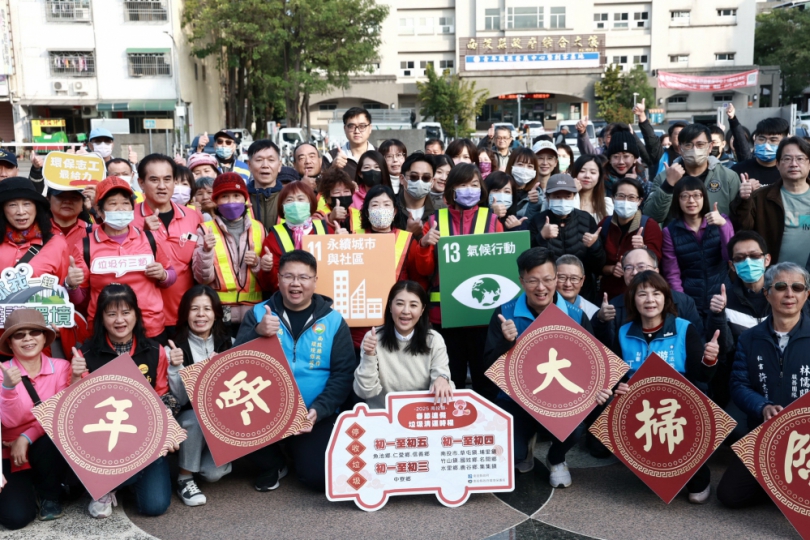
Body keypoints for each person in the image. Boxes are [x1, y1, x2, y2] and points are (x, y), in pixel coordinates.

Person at [235, 250, 355, 491]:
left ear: (314, 281)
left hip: (312, 414)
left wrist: (318, 410)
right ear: (278, 279)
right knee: (229, 423)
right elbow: (234, 364)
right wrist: (256, 332)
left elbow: (343, 375)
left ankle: (293, 446)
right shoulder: (259, 314)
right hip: (264, 411)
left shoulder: (333, 320)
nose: (295, 283)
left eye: (303, 277)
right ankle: (274, 463)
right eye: (288, 276)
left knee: (318, 480)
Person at [483, 248, 602, 486]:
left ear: (556, 278)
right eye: (533, 281)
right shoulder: (505, 314)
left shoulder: (576, 316)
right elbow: (488, 366)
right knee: (513, 456)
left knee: (577, 425)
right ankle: (524, 448)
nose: (541, 288)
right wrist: (505, 344)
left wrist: (598, 388)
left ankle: (556, 458)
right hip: (515, 400)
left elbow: (593, 364)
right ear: (521, 281)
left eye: (548, 280)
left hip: (561, 400)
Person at [612, 271, 719, 503]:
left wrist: (709, 359)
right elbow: (616, 378)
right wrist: (617, 388)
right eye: (642, 294)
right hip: (639, 409)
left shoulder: (684, 328)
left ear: (666, 298)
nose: (650, 300)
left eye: (656, 293)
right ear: (633, 300)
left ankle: (698, 475)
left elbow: (701, 375)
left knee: (695, 493)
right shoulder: (623, 332)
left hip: (678, 406)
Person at [78, 284, 178, 518]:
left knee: (155, 506)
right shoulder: (86, 354)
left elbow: (162, 394)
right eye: (111, 314)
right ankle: (107, 483)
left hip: (146, 440)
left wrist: (168, 425)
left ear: (136, 314)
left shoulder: (156, 350)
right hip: (104, 441)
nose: (119, 320)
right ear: (102, 318)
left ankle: (121, 482)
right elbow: (80, 408)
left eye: (126, 312)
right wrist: (75, 376)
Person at [718, 262, 810, 508]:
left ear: (806, 294)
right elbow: (738, 384)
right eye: (780, 287)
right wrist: (762, 406)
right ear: (767, 293)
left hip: (806, 439)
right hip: (766, 434)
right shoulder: (750, 338)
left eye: (797, 287)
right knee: (729, 496)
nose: (789, 294)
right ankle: (778, 484)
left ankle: (783, 484)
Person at [411, 163, 503, 399]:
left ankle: (484, 433)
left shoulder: (492, 221)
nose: (469, 190)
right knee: (450, 380)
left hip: (483, 316)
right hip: (444, 317)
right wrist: (423, 245)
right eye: (462, 185)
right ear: (451, 189)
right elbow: (424, 270)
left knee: (486, 382)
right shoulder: (435, 220)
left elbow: (503, 268)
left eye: (474, 185)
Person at [68, 177, 175, 342]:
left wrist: (163, 275)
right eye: (112, 204)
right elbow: (79, 298)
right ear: (100, 211)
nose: (120, 209)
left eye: (125, 203)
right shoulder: (85, 246)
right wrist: (71, 285)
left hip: (149, 327)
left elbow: (171, 276)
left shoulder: (150, 239)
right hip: (105, 330)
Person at [0, 309, 72, 527]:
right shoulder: (2, 372)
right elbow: (9, 422)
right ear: (10, 343)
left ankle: (50, 495)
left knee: (53, 436)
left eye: (34, 332)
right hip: (10, 455)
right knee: (15, 518)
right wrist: (8, 388)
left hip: (44, 447)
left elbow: (59, 413)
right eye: (19, 335)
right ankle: (32, 489)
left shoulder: (62, 367)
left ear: (44, 338)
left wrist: (27, 436)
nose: (28, 338)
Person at [167, 285, 234, 506]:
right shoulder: (173, 347)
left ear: (216, 313)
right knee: (194, 419)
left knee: (212, 474)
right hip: (190, 418)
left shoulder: (229, 343)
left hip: (223, 418)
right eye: (194, 309)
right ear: (185, 313)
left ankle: (220, 454)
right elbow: (180, 400)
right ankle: (184, 478)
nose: (201, 315)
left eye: (207, 309)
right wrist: (177, 368)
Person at [132, 154, 204, 336]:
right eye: (154, 180)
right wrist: (144, 233)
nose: (162, 186)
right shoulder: (129, 218)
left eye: (167, 179)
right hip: (143, 319)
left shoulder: (193, 216)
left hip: (185, 315)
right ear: (141, 183)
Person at [354, 281, 453, 409]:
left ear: (422, 309)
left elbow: (442, 377)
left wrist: (442, 379)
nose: (406, 311)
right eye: (400, 304)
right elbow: (365, 392)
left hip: (423, 416)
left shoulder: (434, 340)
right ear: (390, 306)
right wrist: (369, 355)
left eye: (413, 305)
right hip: (384, 417)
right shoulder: (373, 338)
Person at [192, 173, 266, 333]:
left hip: (253, 313)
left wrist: (257, 264)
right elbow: (202, 278)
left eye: (237, 196)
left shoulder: (259, 228)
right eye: (224, 196)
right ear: (216, 201)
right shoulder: (205, 229)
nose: (231, 202)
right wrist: (205, 251)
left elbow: (267, 276)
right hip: (220, 312)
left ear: (245, 199)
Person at [707, 231, 773, 407]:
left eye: (754, 256)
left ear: (766, 259)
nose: (748, 262)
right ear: (732, 265)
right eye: (740, 258)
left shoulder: (784, 297)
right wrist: (718, 314)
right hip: (739, 386)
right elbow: (724, 350)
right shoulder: (724, 300)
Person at [591, 248, 705, 347]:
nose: (635, 272)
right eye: (629, 268)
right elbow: (608, 349)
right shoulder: (614, 306)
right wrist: (601, 320)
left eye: (641, 266)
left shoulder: (683, 302)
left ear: (656, 271)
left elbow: (697, 341)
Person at [730, 136, 810, 265]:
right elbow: (742, 230)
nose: (794, 164)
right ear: (777, 164)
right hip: (772, 277)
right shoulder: (760, 198)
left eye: (800, 159)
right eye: (787, 159)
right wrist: (743, 200)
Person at [662, 176, 734, 317]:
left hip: (722, 295)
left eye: (696, 195)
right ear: (677, 199)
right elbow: (672, 273)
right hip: (691, 299)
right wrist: (682, 302)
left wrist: (723, 225)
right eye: (685, 196)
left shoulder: (721, 220)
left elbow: (730, 256)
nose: (691, 201)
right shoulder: (669, 231)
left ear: (704, 198)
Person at [644, 123, 741, 225]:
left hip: (718, 238)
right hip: (675, 239)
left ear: (710, 147)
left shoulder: (728, 177)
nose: (694, 149)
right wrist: (667, 185)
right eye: (688, 145)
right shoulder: (664, 177)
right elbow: (651, 217)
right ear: (680, 148)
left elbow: (739, 219)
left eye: (700, 145)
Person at [528, 173, 605, 301]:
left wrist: (594, 246)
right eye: (557, 197)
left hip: (583, 293)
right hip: (548, 294)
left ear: (574, 197)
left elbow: (598, 265)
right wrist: (542, 237)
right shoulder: (537, 221)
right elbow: (530, 262)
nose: (562, 201)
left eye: (567, 196)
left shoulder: (586, 219)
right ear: (548, 197)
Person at [256, 181, 333, 292]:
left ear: (311, 203)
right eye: (289, 200)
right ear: (282, 207)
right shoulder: (274, 237)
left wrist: (342, 241)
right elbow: (269, 286)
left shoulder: (327, 229)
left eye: (301, 199)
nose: (296, 204)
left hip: (324, 297)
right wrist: (267, 269)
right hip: (290, 300)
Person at [598, 177, 663, 300]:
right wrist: (611, 269)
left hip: (641, 293)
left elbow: (657, 262)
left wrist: (643, 249)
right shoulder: (605, 224)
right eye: (621, 196)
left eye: (632, 197)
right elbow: (595, 263)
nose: (626, 201)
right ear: (613, 198)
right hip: (609, 295)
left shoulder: (649, 225)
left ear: (639, 201)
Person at [0, 177, 69, 282]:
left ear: (36, 208)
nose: (21, 211)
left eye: (27, 204)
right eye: (12, 205)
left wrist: (71, 285)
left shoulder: (57, 244)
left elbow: (61, 290)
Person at [731, 116, 789, 187]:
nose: (766, 145)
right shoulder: (737, 170)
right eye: (761, 139)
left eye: (773, 140)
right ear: (755, 139)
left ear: (784, 142)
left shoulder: (790, 171)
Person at [326, 107, 375, 181]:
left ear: (370, 128)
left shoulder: (380, 154)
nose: (357, 131)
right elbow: (319, 187)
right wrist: (332, 167)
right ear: (345, 129)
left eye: (362, 126)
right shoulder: (331, 156)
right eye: (351, 126)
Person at [245, 140, 283, 231]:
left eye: (271, 160)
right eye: (259, 160)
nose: (265, 165)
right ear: (249, 165)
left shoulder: (290, 197)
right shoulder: (241, 198)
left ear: (279, 165)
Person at [397, 153, 439, 236]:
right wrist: (408, 233)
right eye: (414, 177)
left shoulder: (440, 210)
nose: (420, 182)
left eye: (426, 178)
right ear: (402, 179)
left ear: (432, 182)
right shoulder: (390, 208)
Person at [571, 154, 613, 223]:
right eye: (582, 171)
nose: (587, 176)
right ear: (574, 173)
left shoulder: (607, 204)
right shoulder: (566, 201)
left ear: (599, 177)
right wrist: (572, 193)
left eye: (593, 172)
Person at [505, 147, 545, 220]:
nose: (525, 169)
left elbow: (533, 225)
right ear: (511, 165)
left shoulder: (538, 195)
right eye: (520, 164)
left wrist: (534, 204)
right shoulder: (499, 189)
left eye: (530, 166)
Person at [556, 255, 599, 319]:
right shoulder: (541, 306)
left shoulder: (592, 312)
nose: (568, 284)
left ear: (582, 281)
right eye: (562, 277)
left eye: (574, 278)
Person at [317, 167, 358, 232]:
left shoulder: (359, 215)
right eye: (337, 192)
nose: (342, 195)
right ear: (328, 198)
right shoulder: (318, 216)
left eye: (346, 191)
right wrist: (330, 219)